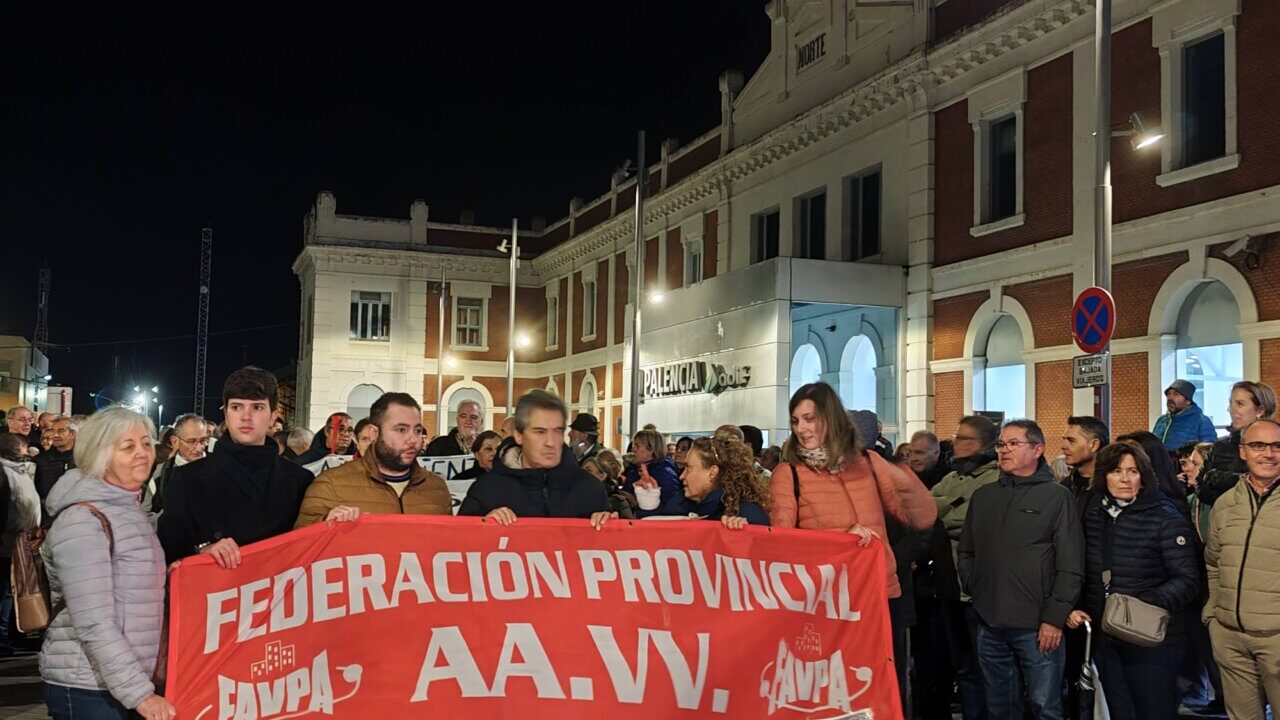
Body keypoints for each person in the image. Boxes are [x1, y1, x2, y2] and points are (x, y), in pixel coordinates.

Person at [39, 406, 176, 720]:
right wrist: (139, 694)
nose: (143, 453)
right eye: (128, 447)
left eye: (146, 443)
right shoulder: (83, 520)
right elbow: (93, 621)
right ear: (98, 455)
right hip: (90, 686)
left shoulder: (128, 510)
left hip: (120, 682)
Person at [1065, 441, 1200, 720]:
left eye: (1133, 471)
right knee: (1119, 711)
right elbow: (1083, 568)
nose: (1125, 479)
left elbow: (1187, 580)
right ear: (1104, 475)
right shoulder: (1093, 514)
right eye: (1116, 471)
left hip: (1153, 640)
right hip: (1106, 636)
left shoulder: (1164, 516)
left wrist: (1139, 606)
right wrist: (1076, 605)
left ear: (1144, 476)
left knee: (1153, 712)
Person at [958, 419, 1084, 720]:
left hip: (1037, 626)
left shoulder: (1056, 497)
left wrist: (1053, 618)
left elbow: (1071, 566)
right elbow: (967, 551)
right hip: (989, 621)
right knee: (999, 706)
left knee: (1045, 707)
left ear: (1038, 449)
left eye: (1014, 443)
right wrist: (976, 588)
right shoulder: (984, 496)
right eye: (1001, 444)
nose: (1004, 450)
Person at [769, 382, 936, 599]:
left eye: (809, 419)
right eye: (795, 421)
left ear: (831, 418)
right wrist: (842, 543)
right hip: (826, 595)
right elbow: (782, 545)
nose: (800, 429)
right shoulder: (788, 473)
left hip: (878, 588)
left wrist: (900, 475)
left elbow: (922, 516)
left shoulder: (868, 462)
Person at [158, 366, 314, 567]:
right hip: (214, 593)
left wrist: (334, 525)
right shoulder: (187, 480)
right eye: (236, 407)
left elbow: (312, 544)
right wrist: (202, 550)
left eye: (257, 407)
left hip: (281, 593)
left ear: (273, 416)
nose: (246, 416)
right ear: (226, 413)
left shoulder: (299, 481)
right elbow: (168, 549)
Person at [1203, 417, 1280, 719]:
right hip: (1230, 638)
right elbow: (1213, 563)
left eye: (1276, 446)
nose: (1268, 454)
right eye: (1258, 446)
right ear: (1243, 452)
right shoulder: (1225, 504)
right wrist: (1213, 616)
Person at [927, 415, 999, 720]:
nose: (954, 442)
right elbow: (925, 509)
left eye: (962, 438)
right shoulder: (953, 477)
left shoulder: (995, 478)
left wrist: (945, 512)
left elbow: (972, 522)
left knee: (987, 670)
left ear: (981, 444)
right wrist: (949, 507)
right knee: (965, 668)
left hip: (978, 592)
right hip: (949, 587)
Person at [295, 393, 451, 527]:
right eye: (401, 430)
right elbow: (299, 548)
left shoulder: (437, 488)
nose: (413, 439)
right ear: (373, 433)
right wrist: (326, 524)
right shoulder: (330, 485)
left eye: (417, 430)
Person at [458, 390, 610, 526]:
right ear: (519, 435)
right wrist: (483, 525)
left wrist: (610, 527)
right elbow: (458, 545)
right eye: (540, 432)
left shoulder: (590, 488)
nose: (550, 442)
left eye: (557, 431)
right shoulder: (487, 489)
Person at [635, 435, 770, 526]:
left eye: (689, 468)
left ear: (712, 472)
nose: (682, 476)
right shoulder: (680, 502)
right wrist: (649, 505)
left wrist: (748, 534)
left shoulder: (746, 514)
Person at [1196, 380, 1276, 508]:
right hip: (1225, 519)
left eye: (1240, 404)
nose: (1230, 410)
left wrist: (1225, 480)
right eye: (1231, 403)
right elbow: (1201, 490)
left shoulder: (1276, 446)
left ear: (1260, 410)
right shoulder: (1220, 446)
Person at [1, 433, 40, 659]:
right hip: (10, 540)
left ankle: (14, 633)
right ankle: (3, 636)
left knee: (15, 589)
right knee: (7, 590)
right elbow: (13, 508)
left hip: (21, 538)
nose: (26, 451)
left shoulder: (21, 471)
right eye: (22, 448)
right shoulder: (7, 473)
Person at [142, 413, 206, 515]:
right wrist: (169, 519)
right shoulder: (163, 472)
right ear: (175, 441)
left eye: (203, 440)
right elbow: (145, 513)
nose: (199, 448)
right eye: (191, 441)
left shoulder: (218, 469)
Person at [621, 428, 682, 508]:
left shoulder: (666, 473)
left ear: (651, 449)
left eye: (637, 446)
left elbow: (672, 506)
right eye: (633, 445)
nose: (633, 449)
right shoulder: (633, 471)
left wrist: (640, 502)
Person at [1152, 379, 1218, 450]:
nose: (1170, 398)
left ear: (1188, 401)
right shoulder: (1162, 420)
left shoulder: (1202, 421)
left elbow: (1208, 452)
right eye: (1168, 394)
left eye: (1176, 394)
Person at [1060, 416, 1108, 507]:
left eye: (1071, 440)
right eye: (1064, 439)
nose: (1063, 446)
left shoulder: (1114, 488)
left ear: (1094, 445)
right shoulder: (1064, 486)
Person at [34, 415, 78, 499]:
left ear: (72, 434)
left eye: (61, 431)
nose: (55, 435)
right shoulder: (40, 460)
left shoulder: (82, 460)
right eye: (53, 431)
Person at [292, 412, 357, 465]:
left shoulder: (359, 458)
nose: (346, 434)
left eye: (350, 430)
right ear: (326, 431)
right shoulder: (305, 461)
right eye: (340, 429)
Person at [583, 455, 635, 519]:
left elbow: (629, 525)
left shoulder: (617, 502)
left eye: (588, 471)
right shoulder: (574, 497)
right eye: (581, 470)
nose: (582, 474)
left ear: (602, 476)